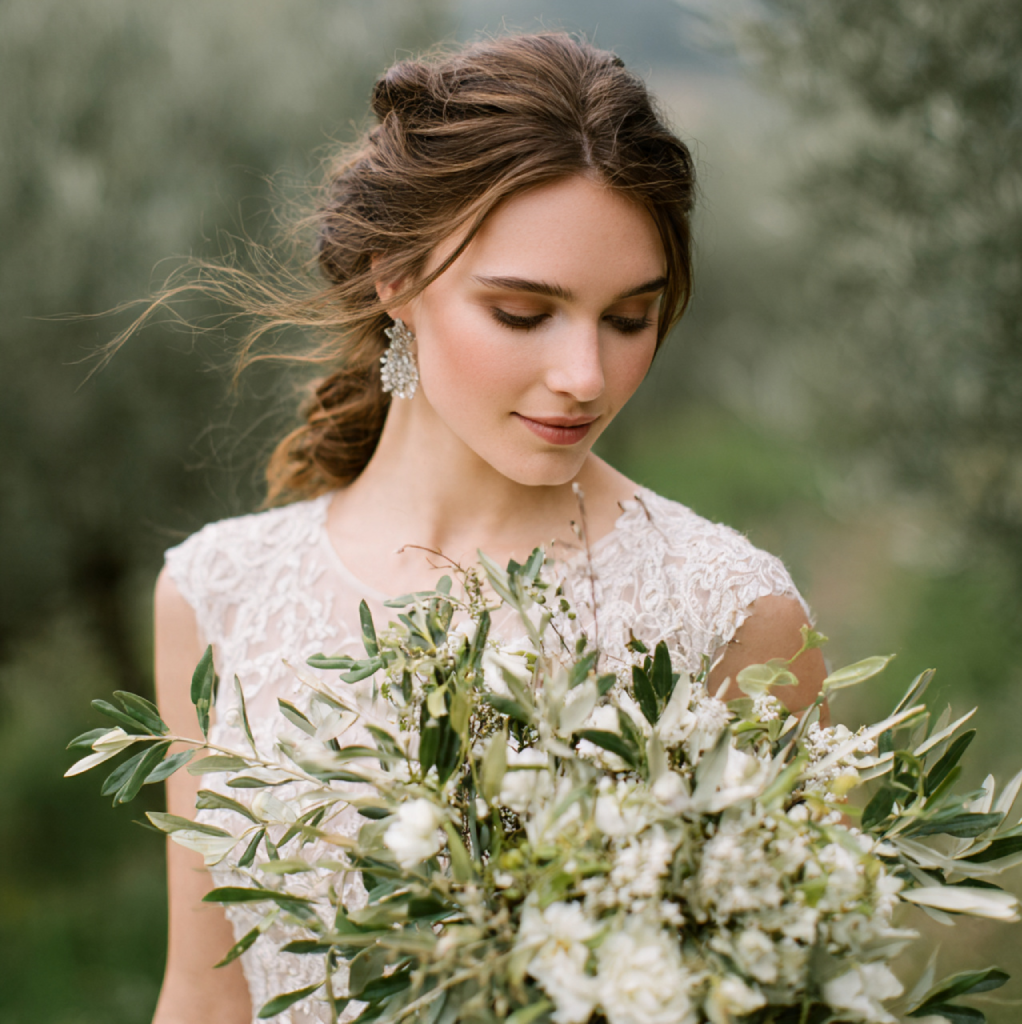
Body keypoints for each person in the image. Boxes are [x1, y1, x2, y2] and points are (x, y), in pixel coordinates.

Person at [150, 32, 825, 1024]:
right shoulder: (218, 594)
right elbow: (206, 995)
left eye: (629, 318)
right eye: (522, 312)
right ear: (395, 280)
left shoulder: (734, 613)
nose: (585, 377)